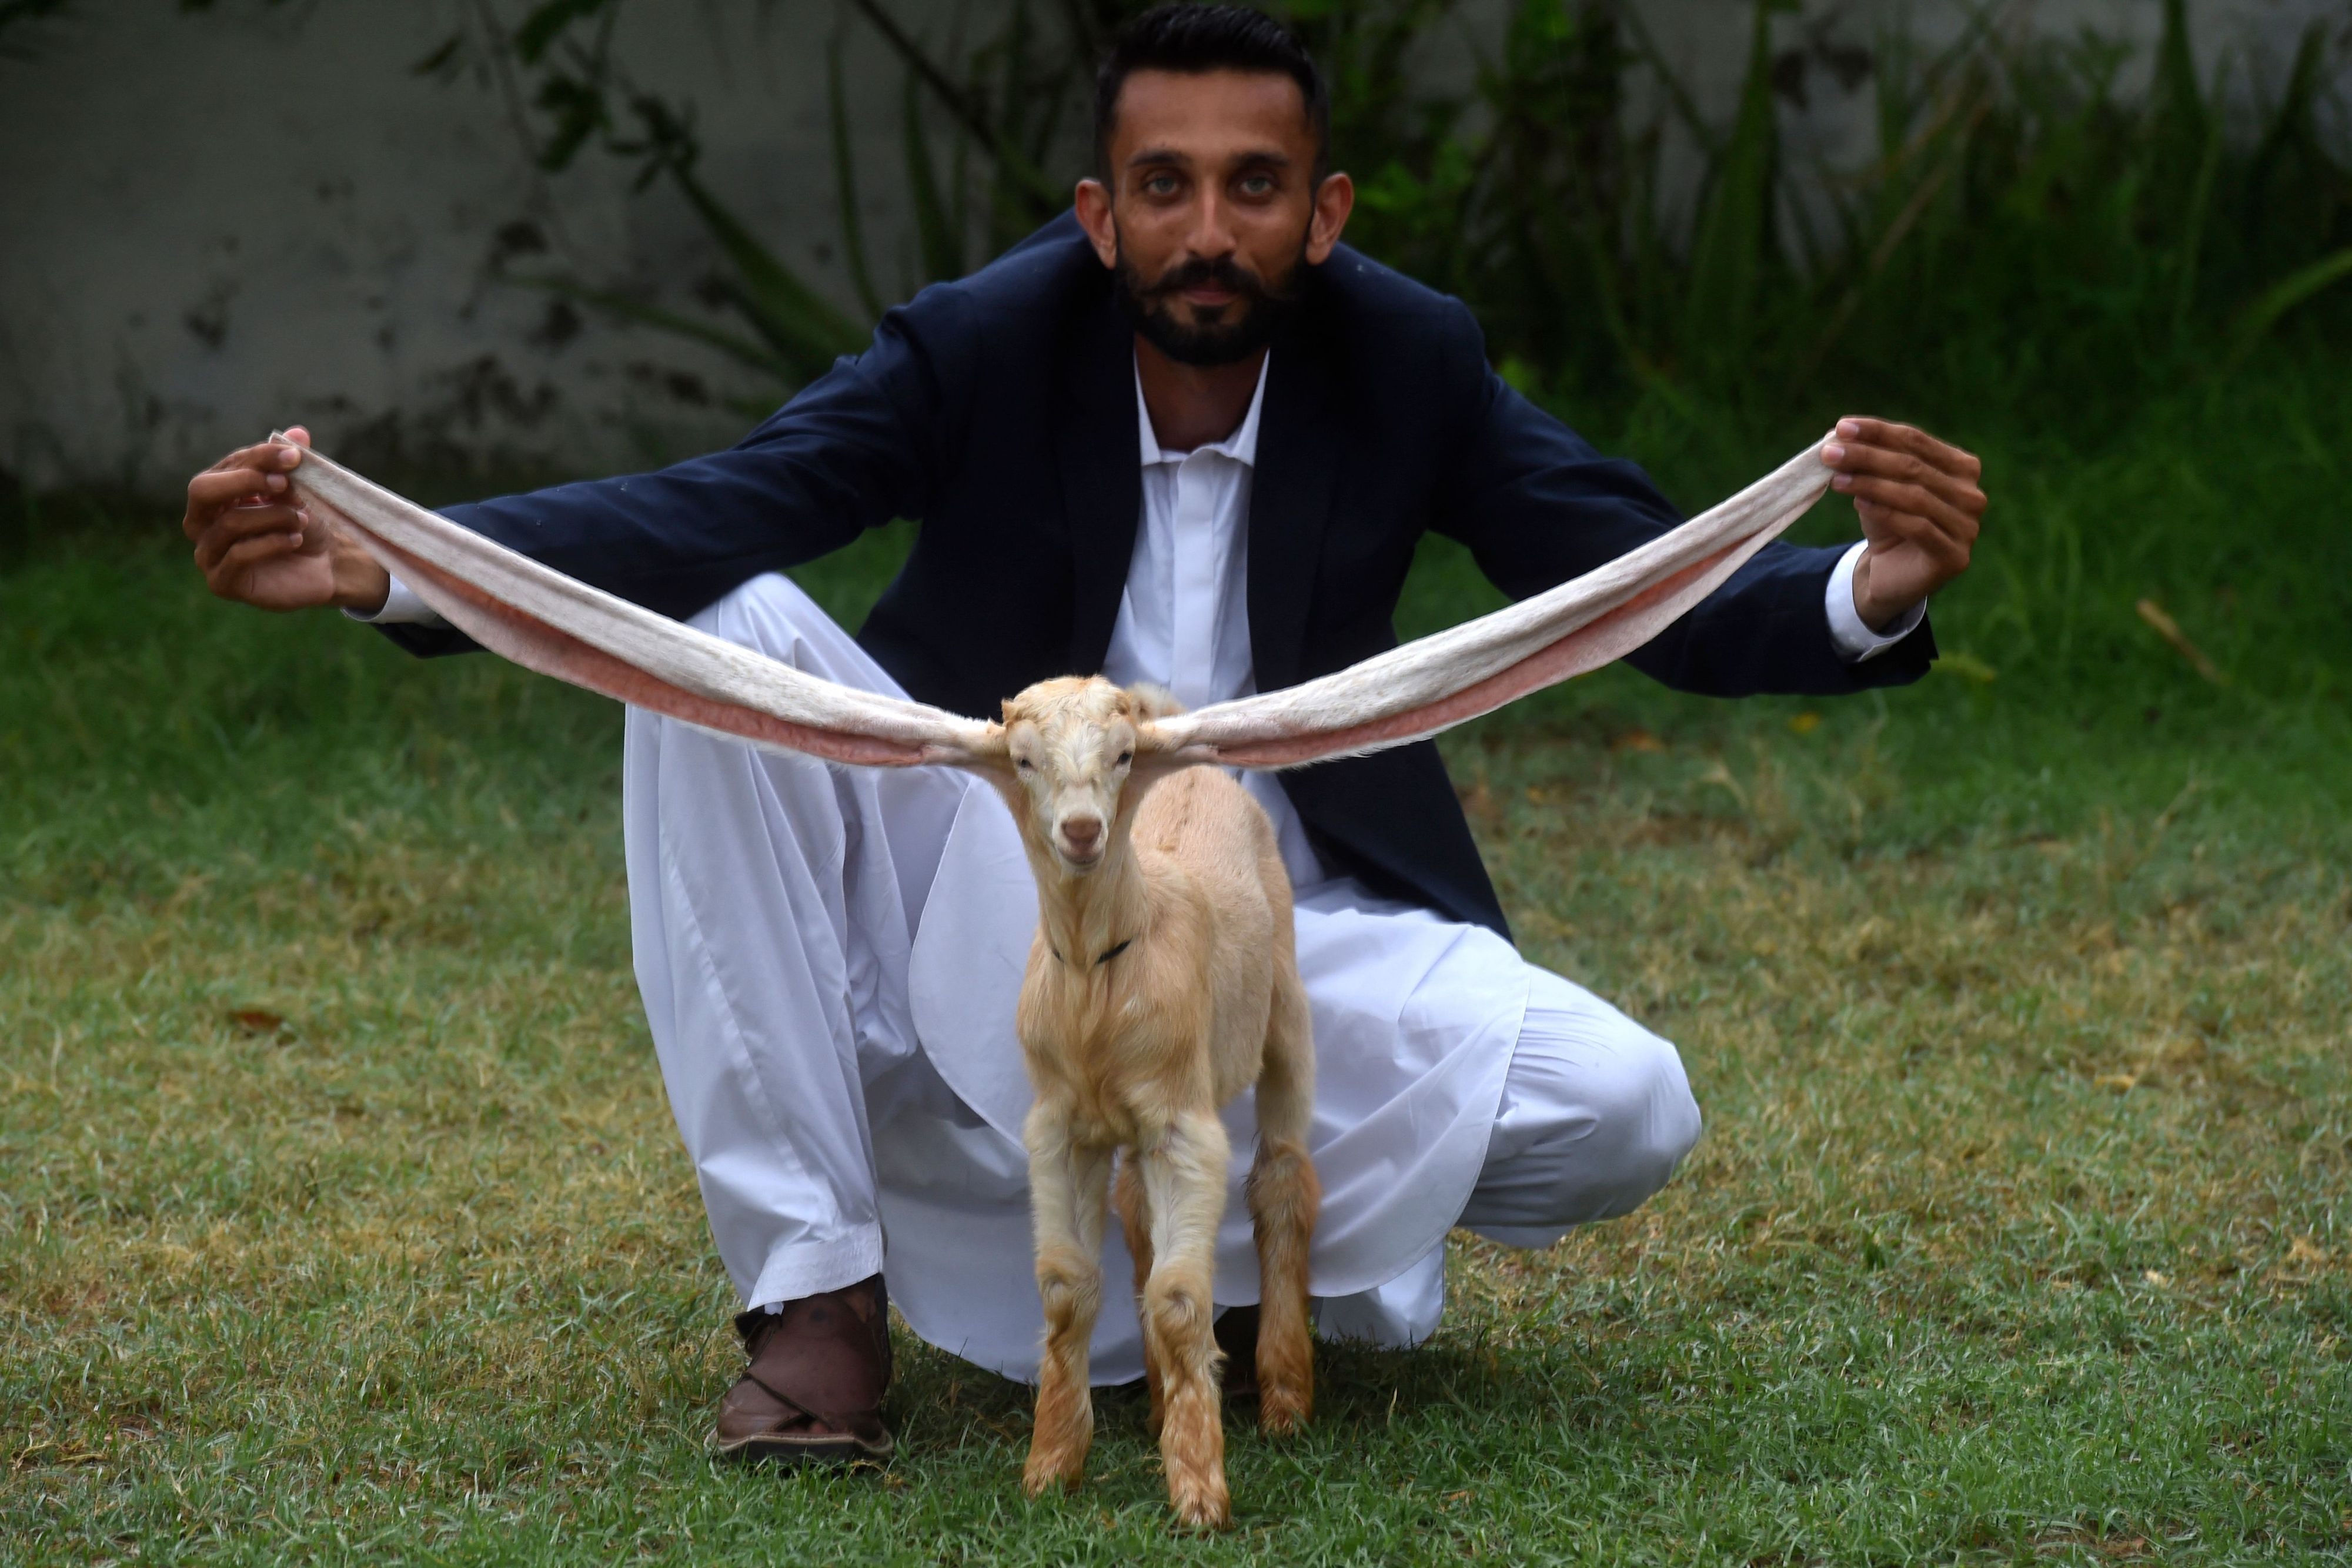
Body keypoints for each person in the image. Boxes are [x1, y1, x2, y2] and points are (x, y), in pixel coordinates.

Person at [179, 5, 1985, 1467]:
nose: (1212, 231)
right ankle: (815, 1288)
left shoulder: (1407, 358)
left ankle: (1204, 1263)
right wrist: (402, 565)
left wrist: (1867, 587)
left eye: (1257, 187)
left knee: (1628, 1107)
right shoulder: (980, 344)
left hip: (1278, 931)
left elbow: (1616, 571)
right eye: (1168, 187)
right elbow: (724, 502)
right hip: (996, 886)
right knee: (725, 633)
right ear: (1097, 213)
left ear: (1325, 212)